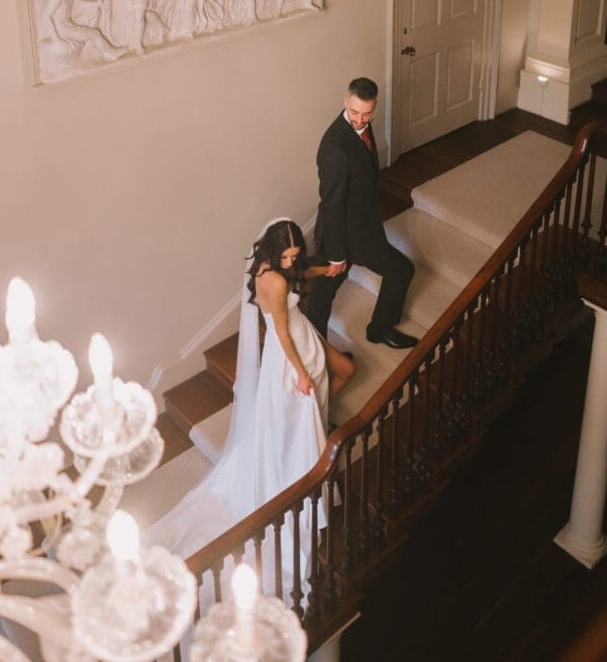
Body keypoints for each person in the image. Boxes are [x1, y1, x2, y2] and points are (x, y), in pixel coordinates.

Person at [144, 219, 354, 580]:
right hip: (289, 350)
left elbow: (303, 270)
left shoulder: (285, 267)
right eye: (286, 256)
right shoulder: (270, 279)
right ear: (273, 253)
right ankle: (303, 442)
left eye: (295, 255)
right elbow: (284, 334)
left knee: (345, 370)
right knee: (299, 404)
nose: (291, 262)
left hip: (304, 333)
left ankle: (315, 416)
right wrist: (300, 372)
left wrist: (328, 269)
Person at [304, 77, 418, 350]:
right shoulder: (335, 147)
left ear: (374, 107)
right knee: (322, 297)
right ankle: (319, 356)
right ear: (346, 101)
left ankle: (378, 329)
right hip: (343, 235)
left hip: (362, 228)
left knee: (320, 298)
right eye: (354, 112)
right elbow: (331, 205)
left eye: (366, 113)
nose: (359, 120)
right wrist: (337, 255)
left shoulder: (363, 125)